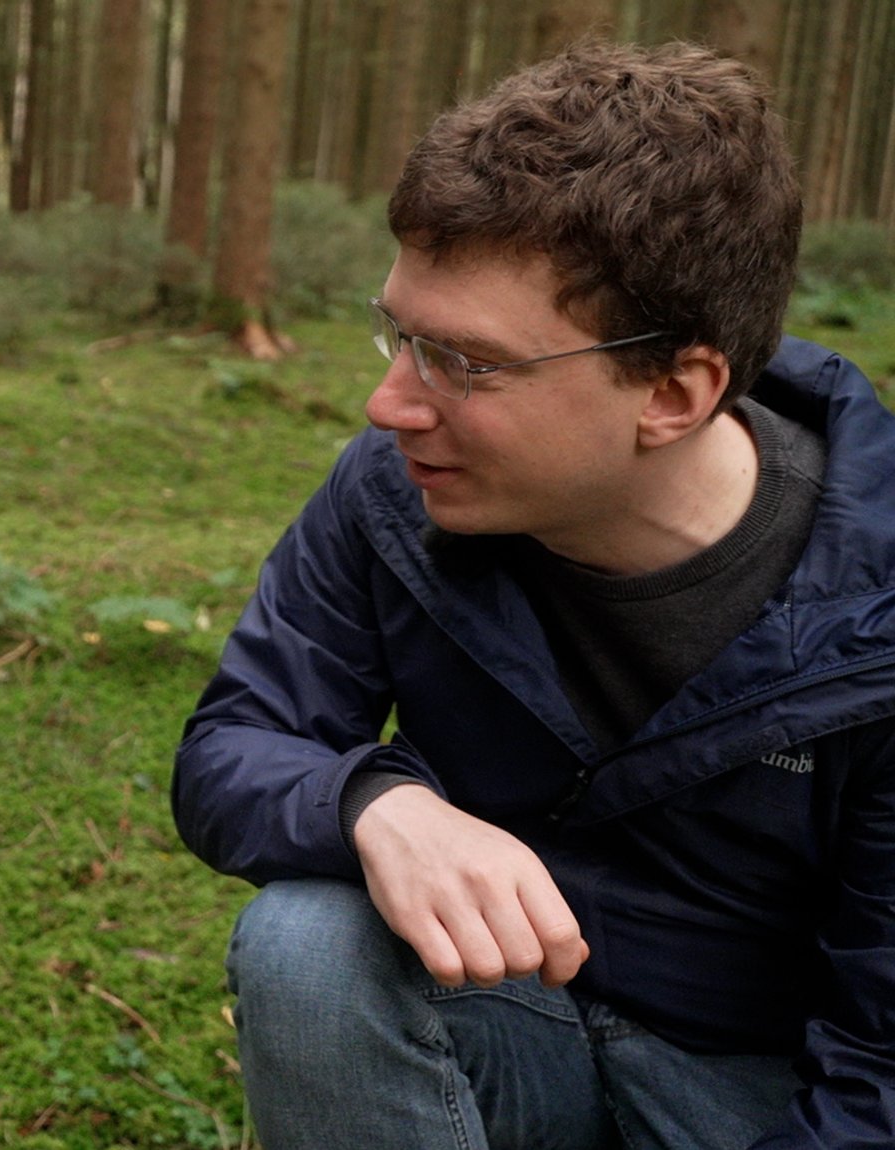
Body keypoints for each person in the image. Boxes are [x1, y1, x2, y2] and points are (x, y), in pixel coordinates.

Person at [172, 40, 894, 1150]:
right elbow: (232, 746)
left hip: (755, 1093)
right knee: (307, 942)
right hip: (508, 1021)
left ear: (672, 390)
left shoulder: (872, 619)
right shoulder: (391, 497)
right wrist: (373, 800)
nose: (385, 404)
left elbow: (878, 1070)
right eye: (398, 335)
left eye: (462, 363)